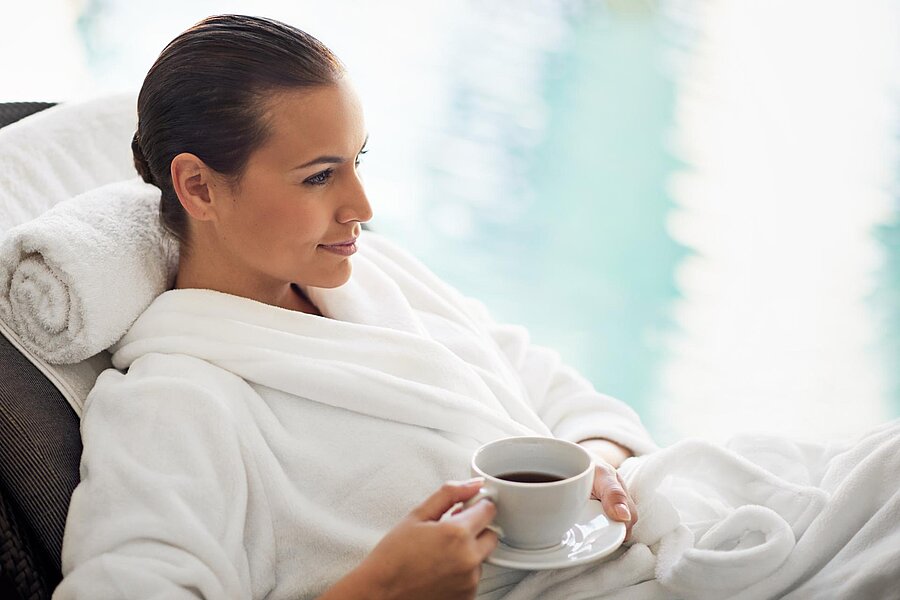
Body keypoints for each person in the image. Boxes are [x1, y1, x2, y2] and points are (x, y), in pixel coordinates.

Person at [54, 14, 656, 600]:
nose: (362, 207)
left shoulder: (376, 275)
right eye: (319, 177)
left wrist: (592, 476)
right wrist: (379, 590)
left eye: (356, 162)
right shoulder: (174, 406)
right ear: (199, 187)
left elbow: (561, 394)